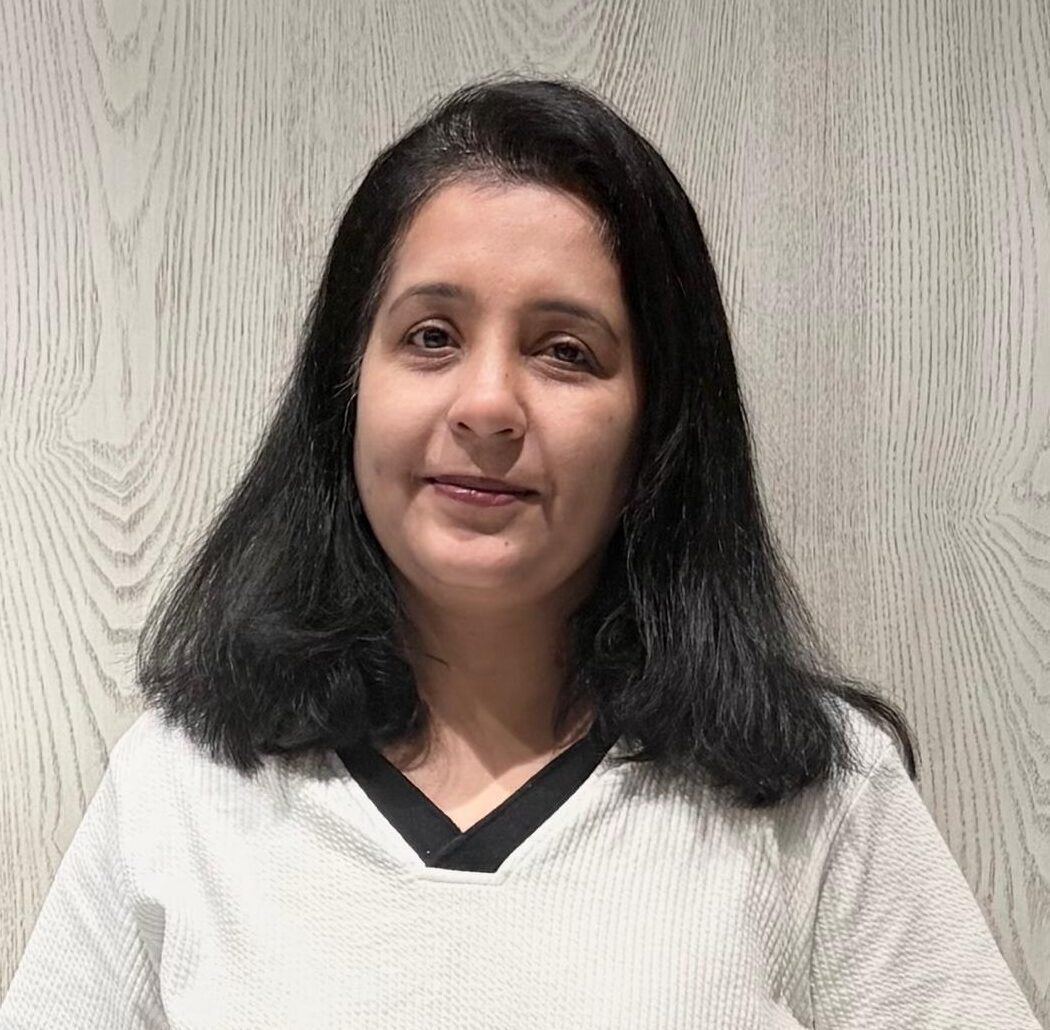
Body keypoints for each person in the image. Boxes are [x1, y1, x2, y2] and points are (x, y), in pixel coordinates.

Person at [0, 75, 1040, 1029]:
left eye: (566, 352)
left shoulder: (818, 790)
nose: (488, 404)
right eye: (431, 336)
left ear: (658, 427)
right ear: (345, 390)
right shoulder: (180, 785)